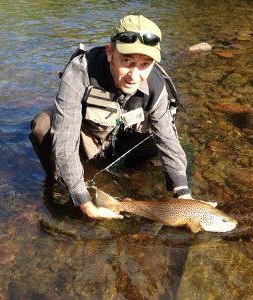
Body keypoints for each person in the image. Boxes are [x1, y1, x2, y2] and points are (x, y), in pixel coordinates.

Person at [30, 15, 192, 220]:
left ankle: (133, 166)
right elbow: (65, 140)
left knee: (165, 140)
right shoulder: (80, 72)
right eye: (127, 61)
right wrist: (84, 202)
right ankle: (58, 182)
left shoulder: (157, 85)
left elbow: (168, 140)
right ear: (109, 53)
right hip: (91, 136)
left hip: (129, 137)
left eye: (145, 64)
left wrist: (183, 192)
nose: (134, 75)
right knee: (43, 127)